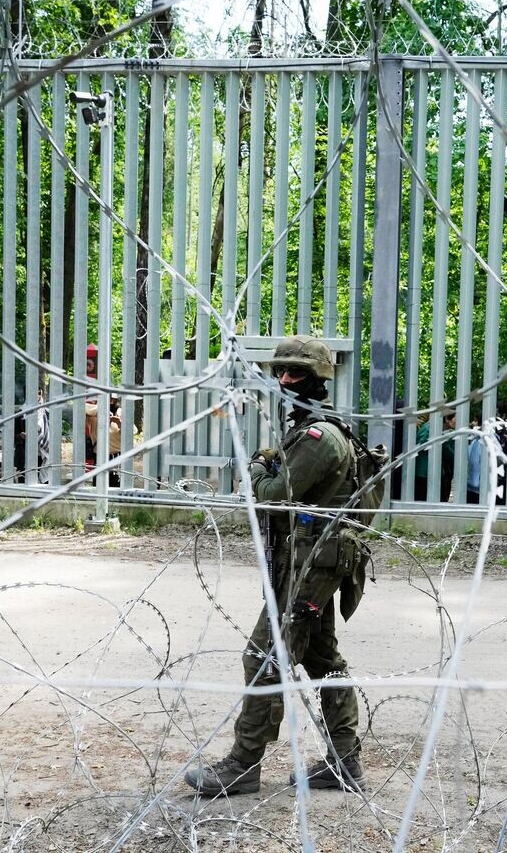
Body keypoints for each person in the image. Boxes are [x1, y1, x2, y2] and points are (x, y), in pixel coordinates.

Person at [185, 336, 368, 797]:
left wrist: (259, 467)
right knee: (321, 658)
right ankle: (346, 763)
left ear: (317, 379)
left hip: (311, 565)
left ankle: (243, 766)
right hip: (309, 561)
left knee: (266, 656)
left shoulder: (319, 436)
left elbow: (271, 494)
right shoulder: (310, 429)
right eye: (281, 372)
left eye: (296, 373)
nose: (285, 380)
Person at [413, 411, 456, 502]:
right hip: (425, 474)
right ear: (447, 419)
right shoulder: (431, 428)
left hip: (432, 473)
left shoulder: (441, 430)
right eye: (457, 418)